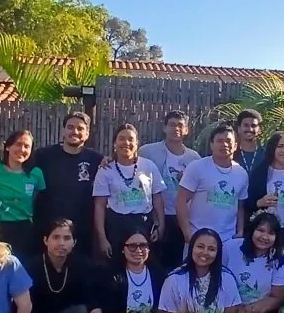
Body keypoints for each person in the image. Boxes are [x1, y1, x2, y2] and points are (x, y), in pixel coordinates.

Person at [33, 112, 103, 257]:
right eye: (70, 127)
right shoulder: (43, 156)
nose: (75, 132)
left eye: (80, 128)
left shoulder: (96, 160)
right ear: (63, 130)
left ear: (87, 133)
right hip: (47, 229)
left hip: (82, 232)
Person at [93, 123, 166, 262]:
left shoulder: (149, 166)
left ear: (137, 143)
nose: (126, 142)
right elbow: (99, 206)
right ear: (115, 142)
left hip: (144, 223)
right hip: (116, 225)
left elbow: (157, 198)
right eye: (121, 138)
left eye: (130, 139)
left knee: (146, 264)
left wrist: (161, 226)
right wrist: (102, 238)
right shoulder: (105, 170)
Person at [139, 110, 201, 268]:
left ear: (187, 130)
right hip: (155, 215)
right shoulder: (147, 152)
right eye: (172, 125)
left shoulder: (194, 159)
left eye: (180, 125)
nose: (176, 129)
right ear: (165, 128)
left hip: (181, 217)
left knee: (177, 260)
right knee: (152, 259)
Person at [0, 130, 46, 261]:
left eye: (27, 146)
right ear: (8, 146)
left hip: (25, 230)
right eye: (18, 144)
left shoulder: (36, 173)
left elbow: (39, 201)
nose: (22, 149)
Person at [177, 122, 249, 244]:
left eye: (228, 141)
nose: (224, 144)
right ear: (211, 144)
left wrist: (240, 231)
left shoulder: (241, 173)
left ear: (235, 145)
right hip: (198, 237)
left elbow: (240, 206)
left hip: (228, 240)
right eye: (219, 141)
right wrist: (187, 234)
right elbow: (181, 201)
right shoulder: (197, 167)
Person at [245, 130, 284, 253]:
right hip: (265, 235)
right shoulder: (259, 173)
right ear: (272, 148)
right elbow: (247, 204)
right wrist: (260, 202)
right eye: (280, 146)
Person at [233, 109, 264, 175]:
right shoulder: (231, 154)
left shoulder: (266, 155)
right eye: (246, 125)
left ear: (259, 129)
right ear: (239, 128)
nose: (250, 129)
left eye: (253, 126)